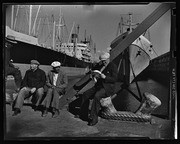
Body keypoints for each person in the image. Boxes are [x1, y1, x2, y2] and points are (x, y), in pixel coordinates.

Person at [75, 52, 118, 126]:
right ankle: (83, 114)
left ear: (108, 59)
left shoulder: (113, 66)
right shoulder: (101, 65)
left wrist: (105, 78)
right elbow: (94, 70)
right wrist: (94, 74)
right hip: (98, 86)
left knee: (97, 96)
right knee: (85, 94)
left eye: (105, 60)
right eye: (102, 61)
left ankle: (94, 118)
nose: (104, 62)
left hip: (107, 88)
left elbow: (115, 79)